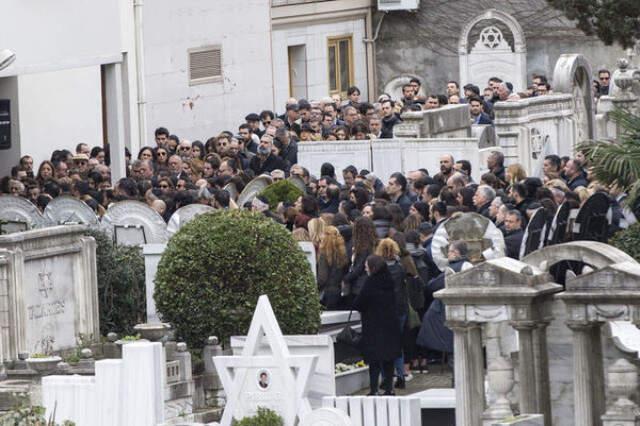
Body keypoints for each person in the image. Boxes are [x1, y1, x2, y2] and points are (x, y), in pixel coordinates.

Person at [353, 255, 402, 396]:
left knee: (374, 360)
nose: (365, 268)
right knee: (388, 359)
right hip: (390, 325)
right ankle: (389, 388)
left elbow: (359, 303)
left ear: (372, 267)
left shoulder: (370, 282)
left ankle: (374, 389)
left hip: (373, 325)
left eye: (367, 265)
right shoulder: (389, 281)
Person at [317, 226, 350, 310]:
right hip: (340, 292)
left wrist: (313, 288)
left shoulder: (323, 255)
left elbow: (322, 278)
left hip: (327, 294)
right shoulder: (343, 254)